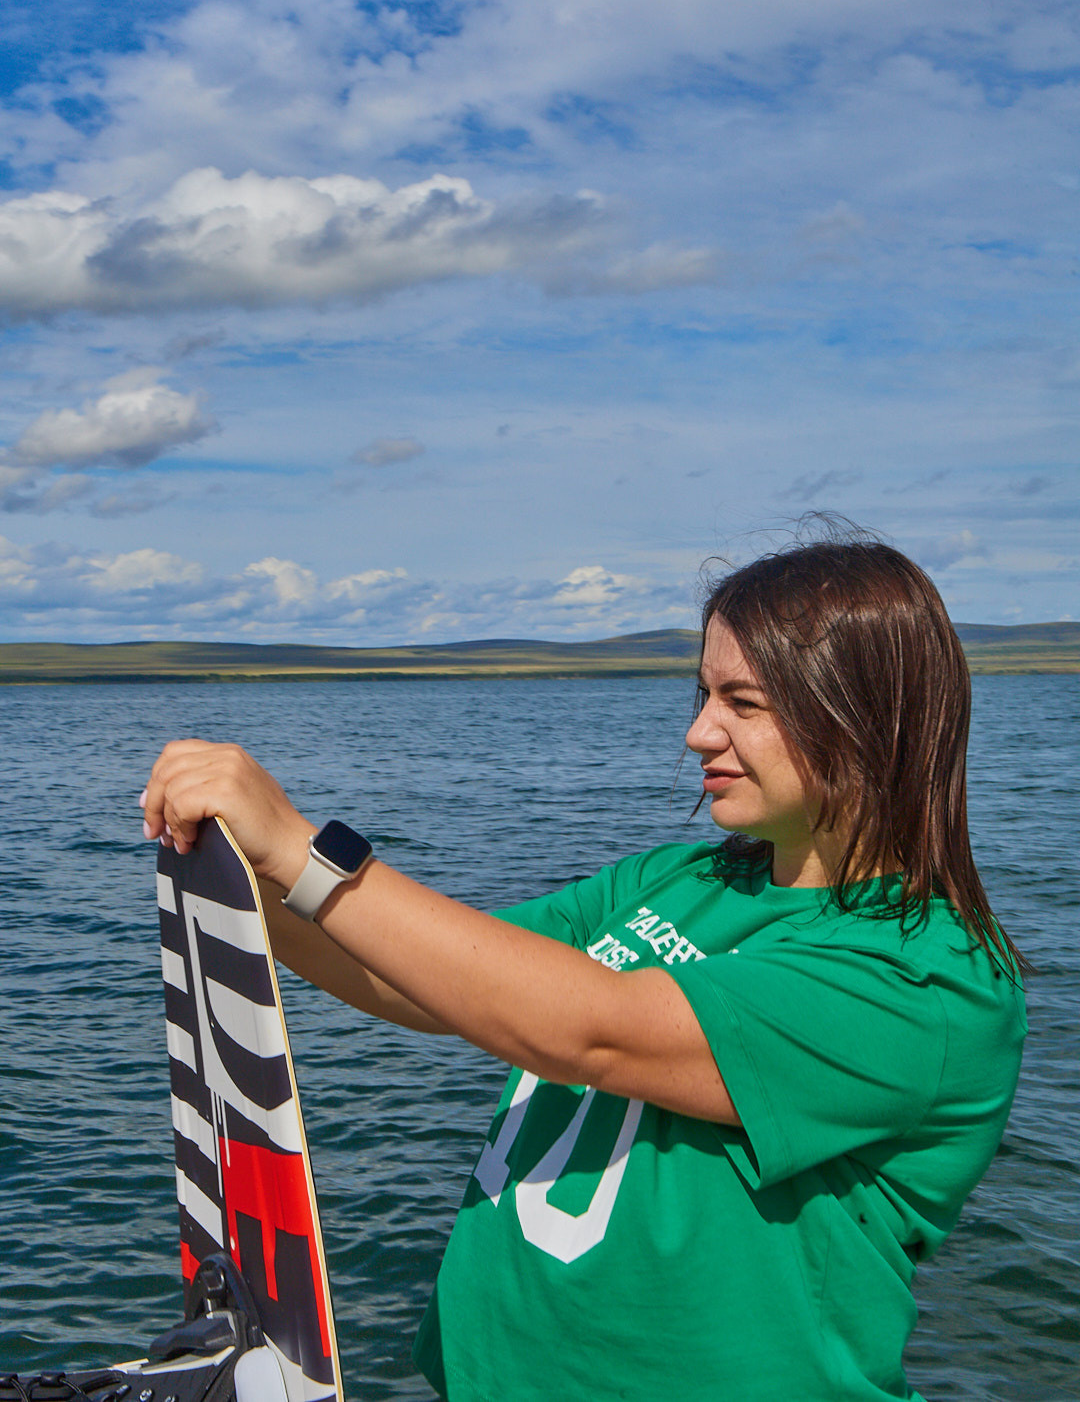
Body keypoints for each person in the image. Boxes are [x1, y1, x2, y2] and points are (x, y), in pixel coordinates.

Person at [141, 535, 1027, 1402]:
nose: (697, 733)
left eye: (743, 703)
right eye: (703, 693)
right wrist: (241, 878)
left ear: (866, 717)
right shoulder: (674, 881)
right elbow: (443, 985)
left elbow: (591, 1031)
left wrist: (304, 849)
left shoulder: (928, 980)